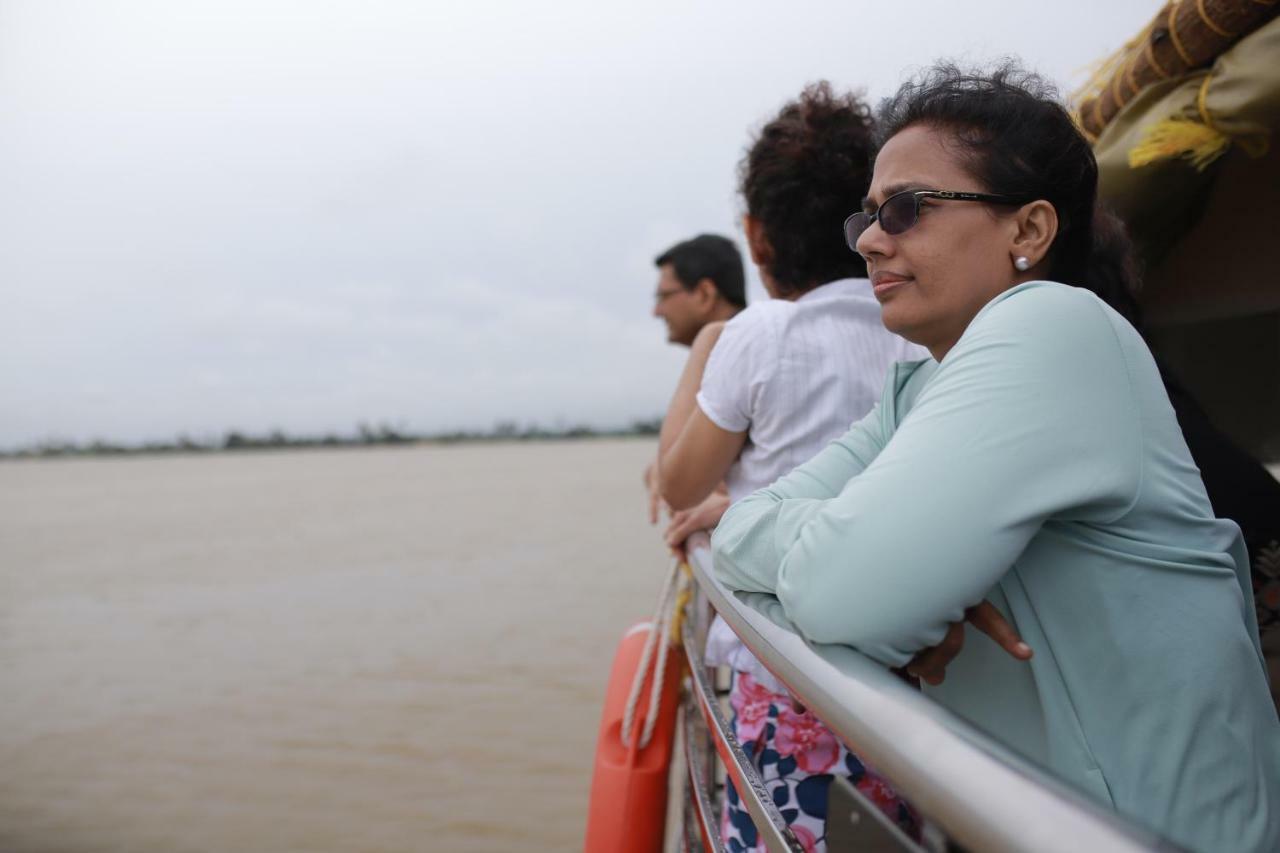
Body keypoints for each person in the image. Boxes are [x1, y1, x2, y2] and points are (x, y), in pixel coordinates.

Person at [711, 63, 1280, 853]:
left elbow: (847, 594)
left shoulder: (1052, 327)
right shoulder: (917, 382)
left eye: (907, 208)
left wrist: (879, 570)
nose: (871, 238)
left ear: (1029, 231)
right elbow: (745, 525)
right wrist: (868, 561)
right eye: (868, 216)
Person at [657, 82, 927, 850]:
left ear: (755, 233)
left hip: (782, 678)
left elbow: (676, 482)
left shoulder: (762, 333)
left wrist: (709, 346)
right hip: (908, 676)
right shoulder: (917, 329)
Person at [643, 234, 746, 528]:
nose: (656, 311)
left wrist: (737, 502)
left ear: (704, 294)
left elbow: (674, 486)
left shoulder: (748, 354)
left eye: (663, 296)